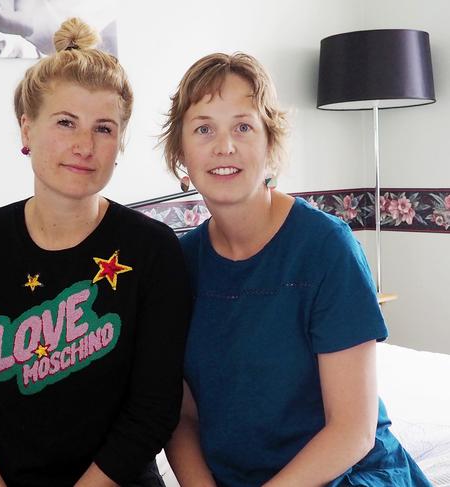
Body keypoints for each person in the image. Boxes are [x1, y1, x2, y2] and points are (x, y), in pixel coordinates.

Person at [0, 18, 191, 487]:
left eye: (104, 128)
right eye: (65, 122)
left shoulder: (153, 250)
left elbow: (154, 408)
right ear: (26, 129)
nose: (84, 145)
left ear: (119, 143)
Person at [159, 52, 431, 487]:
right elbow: (182, 418)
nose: (224, 146)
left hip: (346, 474)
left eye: (243, 126)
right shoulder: (178, 263)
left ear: (271, 142)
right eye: (204, 128)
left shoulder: (325, 245)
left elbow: (352, 431)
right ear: (181, 153)